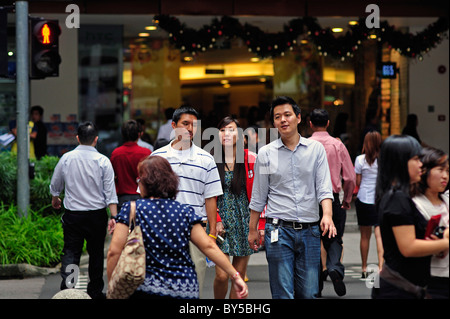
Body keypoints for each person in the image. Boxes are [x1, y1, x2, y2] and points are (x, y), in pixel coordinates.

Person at [107, 156, 248, 299]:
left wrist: (113, 287)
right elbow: (208, 247)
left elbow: (114, 252)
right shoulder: (184, 212)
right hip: (184, 287)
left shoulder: (132, 209)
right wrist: (235, 275)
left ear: (145, 183)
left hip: (147, 287)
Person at [248, 96, 336, 299]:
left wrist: (328, 215)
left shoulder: (316, 150)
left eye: (287, 115)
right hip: (278, 231)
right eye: (277, 117)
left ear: (298, 118)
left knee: (309, 293)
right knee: (282, 294)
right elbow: (259, 195)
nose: (283, 120)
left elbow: (324, 188)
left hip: (310, 231)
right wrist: (253, 229)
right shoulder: (266, 153)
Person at [151, 105, 223, 298]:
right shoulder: (157, 158)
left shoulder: (206, 159)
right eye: (185, 123)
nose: (190, 128)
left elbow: (211, 198)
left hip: (195, 232)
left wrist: (212, 235)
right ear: (173, 126)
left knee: (194, 288)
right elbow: (147, 199)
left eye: (194, 125)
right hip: (162, 231)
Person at [372, 135, 449, 299]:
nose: (421, 165)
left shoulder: (396, 196)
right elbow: (409, 247)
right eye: (416, 159)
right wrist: (445, 243)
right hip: (399, 289)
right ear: (400, 162)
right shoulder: (397, 198)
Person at [50, 121, 118, 299]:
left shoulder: (67, 158)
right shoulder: (103, 161)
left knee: (71, 252)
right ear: (96, 139)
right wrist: (114, 216)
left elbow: (56, 183)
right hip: (97, 215)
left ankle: (69, 289)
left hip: (74, 216)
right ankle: (95, 291)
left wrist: (55, 197)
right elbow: (110, 191)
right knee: (96, 253)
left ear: (77, 138)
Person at [212, 116, 262, 299]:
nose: (226, 133)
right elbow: (207, 196)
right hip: (220, 224)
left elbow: (260, 193)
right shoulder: (210, 160)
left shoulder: (251, 159)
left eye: (231, 129)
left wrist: (257, 226)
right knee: (222, 275)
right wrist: (215, 220)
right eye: (223, 129)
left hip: (243, 222)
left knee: (238, 278)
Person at [309, 108, 356, 297]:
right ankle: (334, 266)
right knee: (334, 238)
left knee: (312, 240)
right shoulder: (338, 145)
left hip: (310, 201)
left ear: (310, 124)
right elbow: (350, 177)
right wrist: (347, 199)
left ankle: (316, 284)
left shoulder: (306, 145)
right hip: (333, 197)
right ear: (328, 123)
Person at [412, 147, 449, 299]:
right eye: (440, 170)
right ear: (424, 171)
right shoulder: (415, 204)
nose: (445, 176)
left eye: (447, 170)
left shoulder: (447, 199)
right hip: (432, 277)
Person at [354, 131, 384, 278]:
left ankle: (364, 268)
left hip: (363, 199)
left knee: (365, 236)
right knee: (379, 236)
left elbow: (358, 182)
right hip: (379, 200)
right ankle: (380, 266)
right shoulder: (383, 160)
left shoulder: (360, 160)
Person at [110, 120, 151, 210]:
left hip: (122, 198)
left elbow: (113, 175)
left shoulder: (116, 153)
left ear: (122, 135)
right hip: (142, 197)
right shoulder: (146, 152)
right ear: (139, 134)